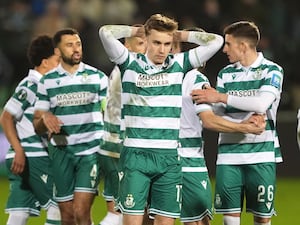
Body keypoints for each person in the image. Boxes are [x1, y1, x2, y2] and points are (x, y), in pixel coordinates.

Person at [99, 13, 223, 225]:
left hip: (168, 158)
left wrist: (179, 35)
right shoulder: (129, 62)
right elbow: (105, 32)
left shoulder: (178, 64)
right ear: (146, 40)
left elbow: (216, 41)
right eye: (156, 42)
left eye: (167, 43)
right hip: (135, 157)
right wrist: (135, 31)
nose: (162, 49)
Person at [191, 21, 284, 225]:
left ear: (243, 46)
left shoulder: (272, 70)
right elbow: (216, 115)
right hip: (229, 157)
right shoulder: (225, 74)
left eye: (228, 44)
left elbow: (261, 102)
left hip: (261, 155)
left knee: (262, 219)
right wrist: (218, 104)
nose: (224, 49)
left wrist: (221, 98)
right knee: (229, 220)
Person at [175, 27, 265, 225]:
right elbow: (209, 120)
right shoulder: (196, 79)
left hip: (158, 156)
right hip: (188, 161)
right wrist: (245, 127)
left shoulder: (166, 76)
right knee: (199, 221)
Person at [33, 28, 108, 225]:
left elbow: (109, 113)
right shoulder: (47, 82)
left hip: (90, 151)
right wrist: (44, 119)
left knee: (81, 211)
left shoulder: (97, 77)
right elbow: (37, 125)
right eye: (69, 45)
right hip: (61, 151)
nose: (76, 49)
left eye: (78, 44)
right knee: (67, 216)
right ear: (57, 51)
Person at [0, 35, 61, 225]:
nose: (60, 65)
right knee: (59, 206)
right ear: (45, 63)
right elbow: (6, 117)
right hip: (33, 156)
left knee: (19, 213)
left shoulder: (43, 86)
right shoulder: (32, 85)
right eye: (57, 60)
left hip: (25, 156)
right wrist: (18, 149)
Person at [98, 25, 147, 225]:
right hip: (121, 147)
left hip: (110, 144)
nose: (146, 48)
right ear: (126, 45)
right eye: (141, 43)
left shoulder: (120, 69)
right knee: (123, 213)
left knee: (122, 210)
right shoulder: (129, 70)